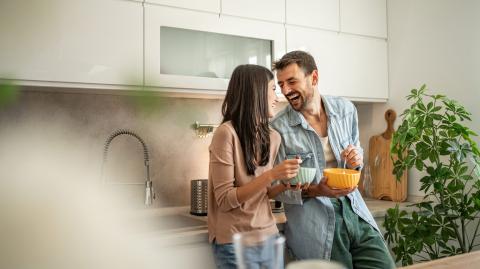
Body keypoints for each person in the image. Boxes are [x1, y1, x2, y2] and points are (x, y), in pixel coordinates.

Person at [270, 51, 396, 269]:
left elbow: (355, 164)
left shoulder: (346, 110)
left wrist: (356, 159)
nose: (285, 91)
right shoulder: (278, 128)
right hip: (316, 226)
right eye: (281, 84)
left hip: (356, 212)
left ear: (314, 78)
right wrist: (317, 190)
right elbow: (275, 188)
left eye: (291, 81)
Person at [207, 64, 302, 269]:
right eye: (273, 89)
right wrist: (272, 175)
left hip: (268, 236)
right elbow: (225, 200)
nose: (277, 97)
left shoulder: (273, 137)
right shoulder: (226, 134)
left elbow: (262, 193)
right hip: (234, 242)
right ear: (256, 92)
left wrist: (285, 185)